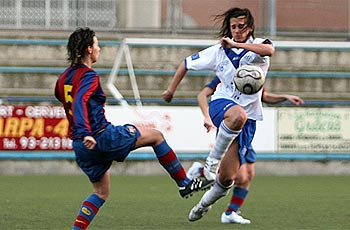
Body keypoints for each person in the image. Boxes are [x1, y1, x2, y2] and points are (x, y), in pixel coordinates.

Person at [54, 27, 213, 230]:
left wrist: (82, 133)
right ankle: (184, 183)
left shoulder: (63, 79)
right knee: (156, 136)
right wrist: (86, 130)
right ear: (88, 49)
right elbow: (79, 102)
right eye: (96, 44)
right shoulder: (89, 76)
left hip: (82, 147)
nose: (99, 48)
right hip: (101, 137)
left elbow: (65, 100)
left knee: (101, 192)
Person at [162, 7, 275, 223]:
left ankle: (203, 204)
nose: (237, 30)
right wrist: (170, 90)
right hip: (222, 105)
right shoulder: (218, 51)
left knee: (227, 180)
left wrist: (236, 44)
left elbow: (269, 52)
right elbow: (186, 63)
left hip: (248, 120)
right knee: (237, 116)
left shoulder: (261, 44)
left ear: (249, 28)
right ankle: (210, 163)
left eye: (241, 26)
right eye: (233, 27)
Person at [187, 75, 304, 224]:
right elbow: (202, 94)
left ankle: (231, 212)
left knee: (248, 175)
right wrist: (207, 117)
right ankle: (201, 171)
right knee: (234, 177)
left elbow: (264, 96)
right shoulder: (227, 71)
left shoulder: (253, 73)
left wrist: (285, 97)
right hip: (232, 128)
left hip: (248, 130)